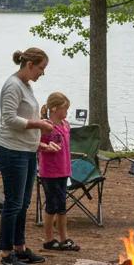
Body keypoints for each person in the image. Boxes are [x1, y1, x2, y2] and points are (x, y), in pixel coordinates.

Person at [0, 47, 54, 265]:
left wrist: (39, 143)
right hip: (11, 151)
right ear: (29, 65)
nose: (42, 73)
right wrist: (39, 124)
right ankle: (6, 253)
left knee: (24, 203)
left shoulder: (26, 86)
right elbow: (9, 119)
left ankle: (20, 247)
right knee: (13, 203)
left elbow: (26, 117)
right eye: (41, 68)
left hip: (27, 150)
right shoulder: (12, 85)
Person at [37, 92, 80, 252]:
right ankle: (49, 239)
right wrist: (47, 148)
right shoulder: (46, 126)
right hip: (49, 172)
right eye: (64, 108)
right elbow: (37, 145)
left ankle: (64, 238)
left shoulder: (65, 125)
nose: (66, 112)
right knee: (52, 205)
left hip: (64, 170)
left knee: (62, 205)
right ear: (54, 108)